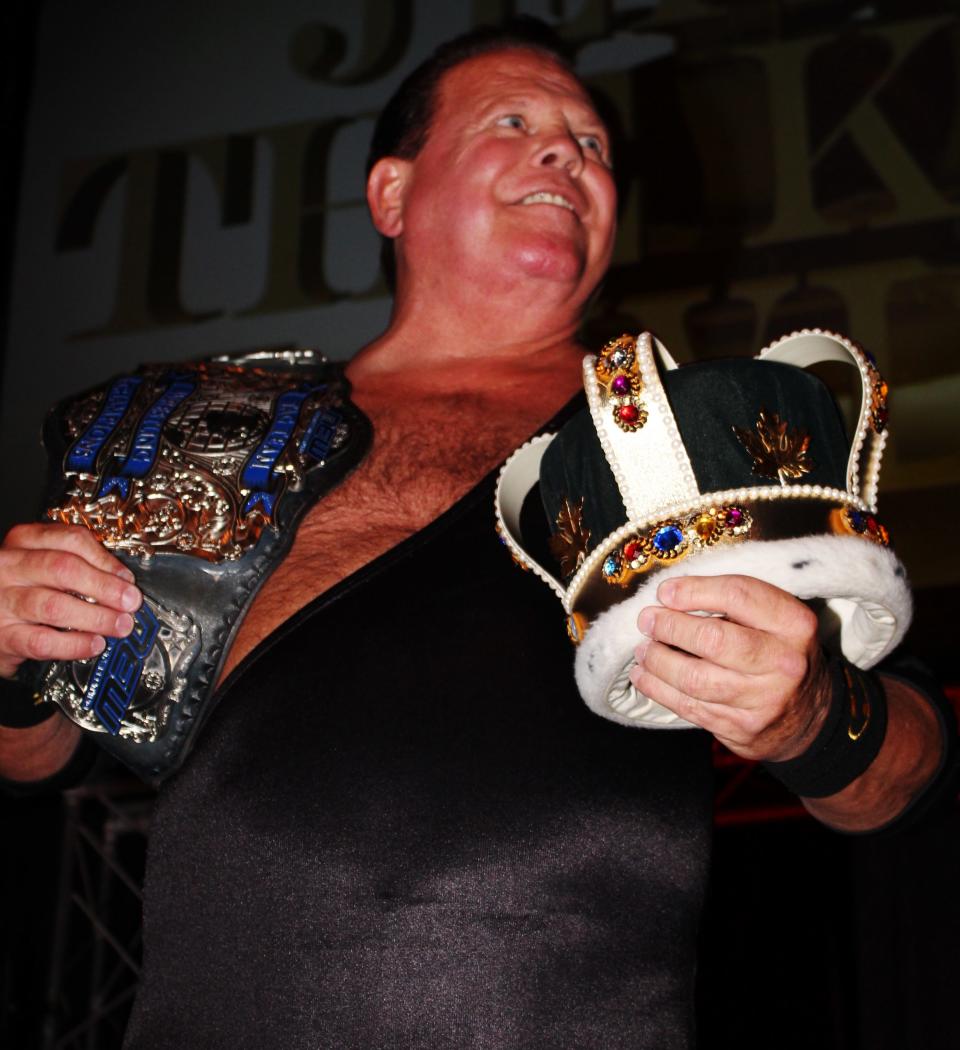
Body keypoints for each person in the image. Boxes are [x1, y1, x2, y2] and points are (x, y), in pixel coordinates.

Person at [0, 21, 952, 1050]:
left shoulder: (695, 442)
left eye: (591, 143)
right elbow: (33, 751)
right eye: (514, 123)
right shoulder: (205, 437)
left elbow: (908, 768)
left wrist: (811, 707)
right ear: (392, 195)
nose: (567, 155)